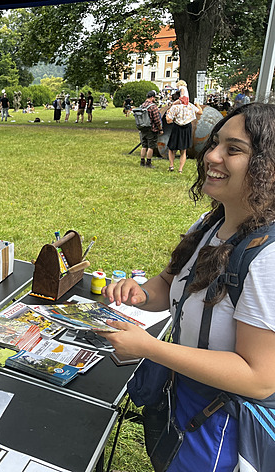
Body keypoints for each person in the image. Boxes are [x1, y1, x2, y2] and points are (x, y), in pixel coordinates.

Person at [101, 103, 275, 471]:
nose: (211, 155)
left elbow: (258, 378)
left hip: (224, 424)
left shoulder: (268, 258)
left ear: (269, 167)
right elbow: (170, 283)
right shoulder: (211, 221)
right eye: (215, 143)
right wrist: (142, 293)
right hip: (186, 399)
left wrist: (150, 348)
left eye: (234, 149)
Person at [165, 94, 203, 173]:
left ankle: (171, 165)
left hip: (177, 128)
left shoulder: (175, 107)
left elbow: (168, 121)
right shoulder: (190, 106)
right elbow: (200, 112)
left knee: (172, 148)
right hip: (187, 128)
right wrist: (198, 105)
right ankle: (180, 169)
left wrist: (168, 114)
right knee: (183, 150)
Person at [138, 90, 163, 168]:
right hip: (151, 129)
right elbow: (157, 120)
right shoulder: (153, 106)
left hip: (143, 128)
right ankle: (148, 163)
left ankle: (142, 161)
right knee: (151, 147)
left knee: (144, 146)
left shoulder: (142, 105)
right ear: (152, 97)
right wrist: (160, 129)